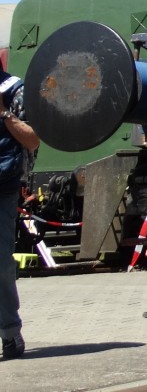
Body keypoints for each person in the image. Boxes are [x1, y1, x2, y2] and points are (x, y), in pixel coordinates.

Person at [0, 68, 39, 360]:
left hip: (3, 185)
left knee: (1, 262)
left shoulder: (16, 91)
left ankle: (10, 331)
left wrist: (3, 113)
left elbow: (33, 139)